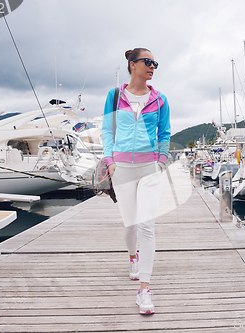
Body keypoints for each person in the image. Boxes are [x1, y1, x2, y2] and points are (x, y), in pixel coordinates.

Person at [102, 48, 171, 315]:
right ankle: (133, 258)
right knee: (130, 224)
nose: (153, 66)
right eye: (148, 61)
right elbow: (107, 130)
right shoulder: (115, 96)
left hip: (149, 166)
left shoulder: (160, 99)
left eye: (155, 62)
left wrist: (161, 162)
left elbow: (164, 132)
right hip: (122, 167)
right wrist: (109, 160)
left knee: (147, 225)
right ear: (133, 65)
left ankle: (144, 290)